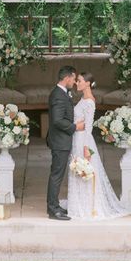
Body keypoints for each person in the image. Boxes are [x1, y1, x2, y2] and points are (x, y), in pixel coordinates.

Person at [67, 72, 128, 219]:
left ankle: (88, 206)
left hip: (84, 141)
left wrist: (87, 148)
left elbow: (88, 127)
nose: (77, 83)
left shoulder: (89, 101)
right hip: (77, 138)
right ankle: (78, 202)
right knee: (77, 169)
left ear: (88, 83)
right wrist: (75, 126)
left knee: (84, 169)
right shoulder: (83, 98)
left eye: (80, 81)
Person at [46, 65, 85, 220]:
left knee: (58, 175)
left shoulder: (63, 93)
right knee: (56, 175)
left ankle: (55, 206)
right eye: (74, 79)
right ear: (67, 77)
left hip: (62, 141)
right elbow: (57, 120)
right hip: (60, 142)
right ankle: (53, 210)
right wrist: (76, 127)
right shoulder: (57, 95)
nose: (74, 82)